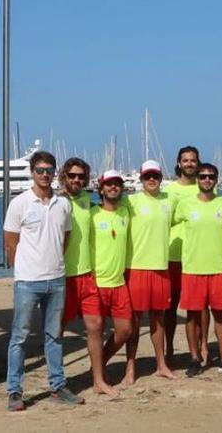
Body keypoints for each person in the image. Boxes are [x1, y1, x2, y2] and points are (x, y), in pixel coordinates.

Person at [3, 150, 82, 410]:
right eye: (40, 170)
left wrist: (53, 262)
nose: (45, 175)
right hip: (27, 281)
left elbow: (65, 237)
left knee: (54, 336)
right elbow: (10, 242)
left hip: (56, 279)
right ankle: (15, 391)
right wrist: (23, 268)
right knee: (20, 337)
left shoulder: (63, 204)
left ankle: (57, 387)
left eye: (49, 170)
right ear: (32, 173)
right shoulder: (20, 203)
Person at [171, 162, 222, 377]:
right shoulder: (185, 205)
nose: (206, 179)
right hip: (192, 269)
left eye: (210, 176)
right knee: (192, 317)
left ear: (216, 180)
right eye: (203, 176)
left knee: (220, 314)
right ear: (197, 179)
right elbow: (162, 223)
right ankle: (195, 358)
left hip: (219, 268)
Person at [123, 160, 175, 383]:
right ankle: (130, 367)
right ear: (141, 177)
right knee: (134, 321)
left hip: (161, 268)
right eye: (147, 176)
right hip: (136, 268)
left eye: (155, 176)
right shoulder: (130, 201)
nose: (151, 180)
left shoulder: (169, 200)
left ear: (161, 177)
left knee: (159, 319)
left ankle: (161, 364)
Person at [59, 158, 105, 389]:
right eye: (72, 175)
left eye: (81, 176)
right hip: (62, 278)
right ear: (64, 176)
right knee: (57, 330)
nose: (76, 180)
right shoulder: (56, 201)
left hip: (87, 275)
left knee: (96, 326)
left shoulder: (89, 202)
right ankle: (58, 381)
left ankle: (98, 380)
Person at [89, 170, 135, 396]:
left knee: (125, 330)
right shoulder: (92, 214)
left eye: (117, 184)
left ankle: (100, 363)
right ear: (101, 188)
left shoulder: (126, 211)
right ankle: (98, 377)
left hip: (119, 284)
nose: (113, 187)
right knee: (95, 330)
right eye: (109, 184)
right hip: (97, 283)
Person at [163, 146, 201, 363]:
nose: (189, 164)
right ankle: (169, 349)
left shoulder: (205, 187)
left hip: (196, 257)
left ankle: (201, 348)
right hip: (172, 255)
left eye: (193, 160)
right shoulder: (169, 190)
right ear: (178, 163)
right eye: (185, 160)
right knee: (170, 306)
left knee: (198, 308)